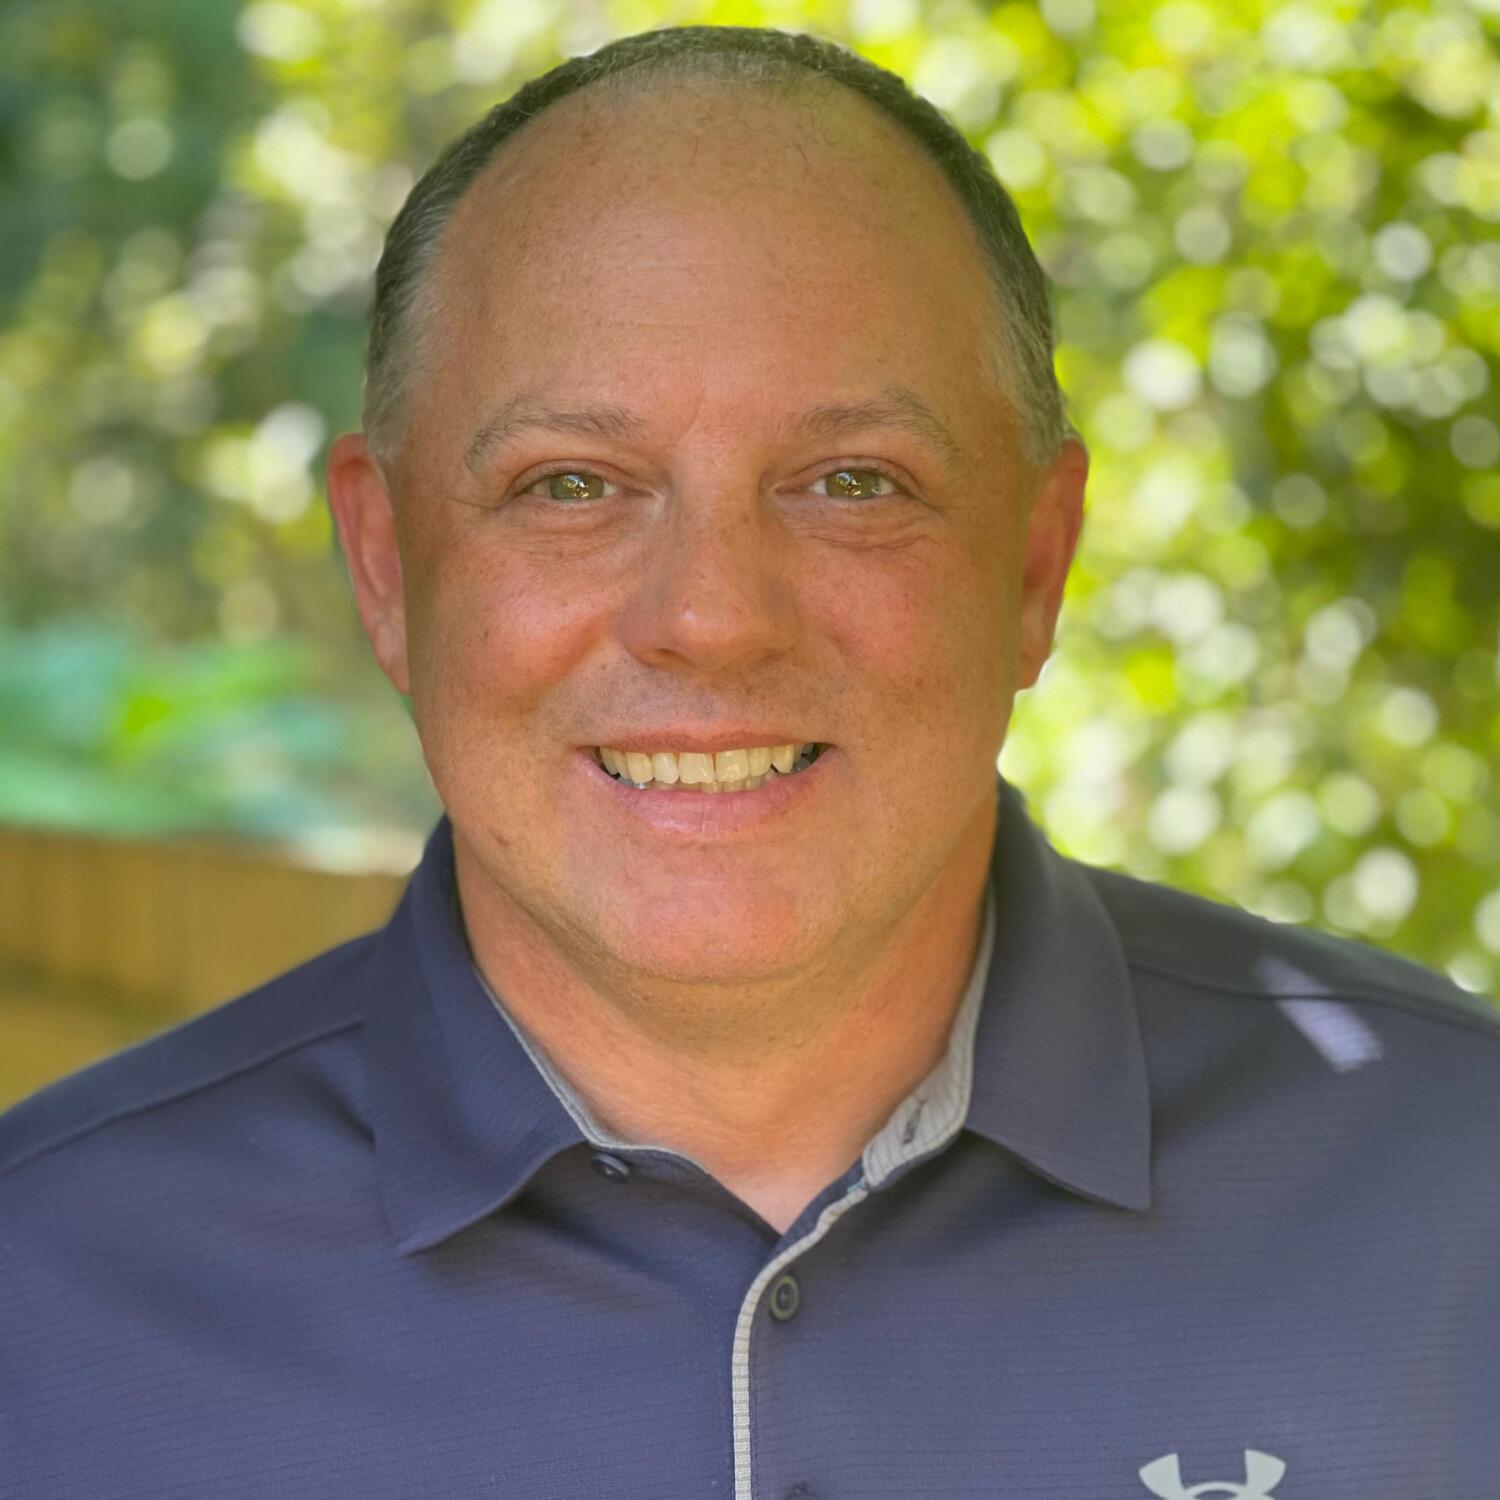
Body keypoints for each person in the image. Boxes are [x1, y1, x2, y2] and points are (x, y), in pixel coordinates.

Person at [2, 24, 1496, 1499]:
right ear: (388, 566)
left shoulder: (1453, 1197)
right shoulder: (44, 1303)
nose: (711, 619)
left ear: (1035, 566)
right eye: (571, 484)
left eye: (853, 482)